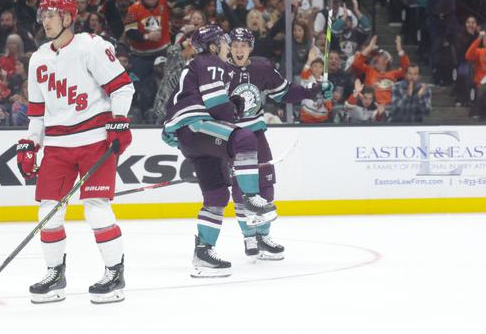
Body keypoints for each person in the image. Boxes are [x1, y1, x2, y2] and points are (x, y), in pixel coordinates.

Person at [15, 0, 134, 304]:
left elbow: (122, 86)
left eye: (52, 15)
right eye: (43, 15)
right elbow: (37, 113)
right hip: (56, 146)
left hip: (94, 140)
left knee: (96, 208)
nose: (45, 20)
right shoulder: (38, 58)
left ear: (68, 17)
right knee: (48, 212)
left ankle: (114, 272)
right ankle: (55, 274)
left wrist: (119, 121)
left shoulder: (91, 46)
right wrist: (30, 143)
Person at [161, 25, 278, 278]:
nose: (228, 47)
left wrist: (176, 133)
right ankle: (250, 199)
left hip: (191, 135)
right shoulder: (211, 62)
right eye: (225, 43)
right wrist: (234, 108)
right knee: (245, 139)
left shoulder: (195, 66)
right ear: (214, 46)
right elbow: (217, 108)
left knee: (215, 197)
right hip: (199, 127)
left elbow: (175, 109)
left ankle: (204, 252)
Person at [225, 27, 331, 259]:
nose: (239, 49)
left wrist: (313, 91)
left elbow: (285, 93)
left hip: (255, 134)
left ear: (250, 47)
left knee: (266, 186)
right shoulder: (220, 71)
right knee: (240, 189)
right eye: (235, 45)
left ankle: (263, 237)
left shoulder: (261, 67)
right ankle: (248, 237)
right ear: (229, 48)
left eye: (243, 45)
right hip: (230, 137)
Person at [351, 35, 409, 106]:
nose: (375, 58)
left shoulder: (394, 73)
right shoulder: (369, 70)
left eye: (378, 56)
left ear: (386, 60)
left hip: (389, 107)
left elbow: (407, 70)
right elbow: (356, 64)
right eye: (374, 56)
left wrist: (400, 50)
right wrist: (369, 48)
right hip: (371, 107)